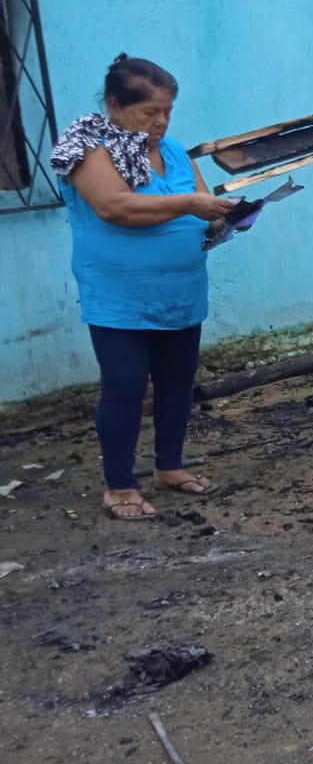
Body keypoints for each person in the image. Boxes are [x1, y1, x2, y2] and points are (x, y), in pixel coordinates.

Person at [50, 55, 234, 520]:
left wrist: (225, 215)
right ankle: (119, 486)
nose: (160, 121)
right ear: (115, 104)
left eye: (167, 110)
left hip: (181, 291)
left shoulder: (171, 150)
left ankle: (169, 467)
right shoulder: (88, 147)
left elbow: (203, 204)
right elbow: (116, 207)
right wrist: (193, 203)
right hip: (120, 295)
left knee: (177, 383)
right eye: (149, 111)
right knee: (126, 386)